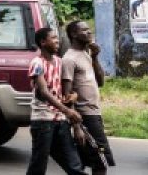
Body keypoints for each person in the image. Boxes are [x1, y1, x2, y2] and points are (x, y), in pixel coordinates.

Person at [26, 27, 87, 175]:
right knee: (38, 166)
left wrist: (73, 97)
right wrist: (68, 111)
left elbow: (65, 92)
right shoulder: (37, 63)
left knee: (74, 165)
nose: (57, 40)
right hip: (43, 121)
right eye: (53, 38)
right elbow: (43, 92)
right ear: (42, 42)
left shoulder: (60, 62)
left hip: (60, 120)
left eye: (57, 38)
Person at [62, 21, 116, 175]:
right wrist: (77, 126)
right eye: (84, 30)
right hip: (85, 117)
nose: (89, 32)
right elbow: (67, 95)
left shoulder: (86, 54)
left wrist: (95, 57)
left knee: (88, 160)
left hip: (94, 114)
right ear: (73, 34)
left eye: (89, 29)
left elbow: (100, 82)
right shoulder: (69, 59)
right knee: (100, 161)